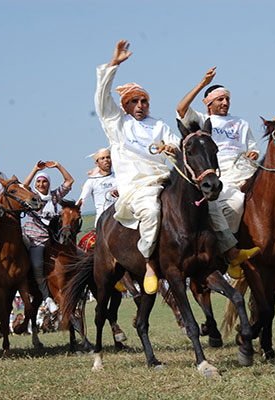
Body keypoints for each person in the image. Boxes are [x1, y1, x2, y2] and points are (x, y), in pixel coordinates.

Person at [94, 40, 181, 295]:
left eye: (144, 100)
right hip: (137, 188)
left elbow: (178, 145)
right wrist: (113, 65)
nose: (140, 105)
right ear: (125, 106)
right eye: (134, 101)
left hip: (165, 181)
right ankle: (149, 263)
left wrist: (172, 148)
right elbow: (102, 99)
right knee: (152, 212)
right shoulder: (117, 124)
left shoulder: (159, 125)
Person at [176, 67, 261, 280]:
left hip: (246, 170)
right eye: (220, 99)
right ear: (208, 103)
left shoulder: (241, 122)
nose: (225, 103)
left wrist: (253, 153)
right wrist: (202, 84)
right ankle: (230, 252)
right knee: (236, 203)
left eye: (227, 99)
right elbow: (181, 108)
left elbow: (253, 146)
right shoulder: (203, 120)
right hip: (220, 174)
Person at [22, 160, 74, 313]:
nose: (41, 184)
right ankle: (47, 298)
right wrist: (35, 169)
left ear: (48, 184)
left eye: (44, 181)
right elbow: (22, 187)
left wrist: (58, 166)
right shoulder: (30, 197)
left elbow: (70, 181)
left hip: (53, 239)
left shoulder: (54, 197)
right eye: (38, 182)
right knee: (37, 266)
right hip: (35, 240)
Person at [78, 148, 118, 225]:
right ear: (97, 163)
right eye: (102, 158)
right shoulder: (92, 181)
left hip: (121, 217)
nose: (106, 160)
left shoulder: (119, 177)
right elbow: (82, 200)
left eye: (108, 157)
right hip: (103, 221)